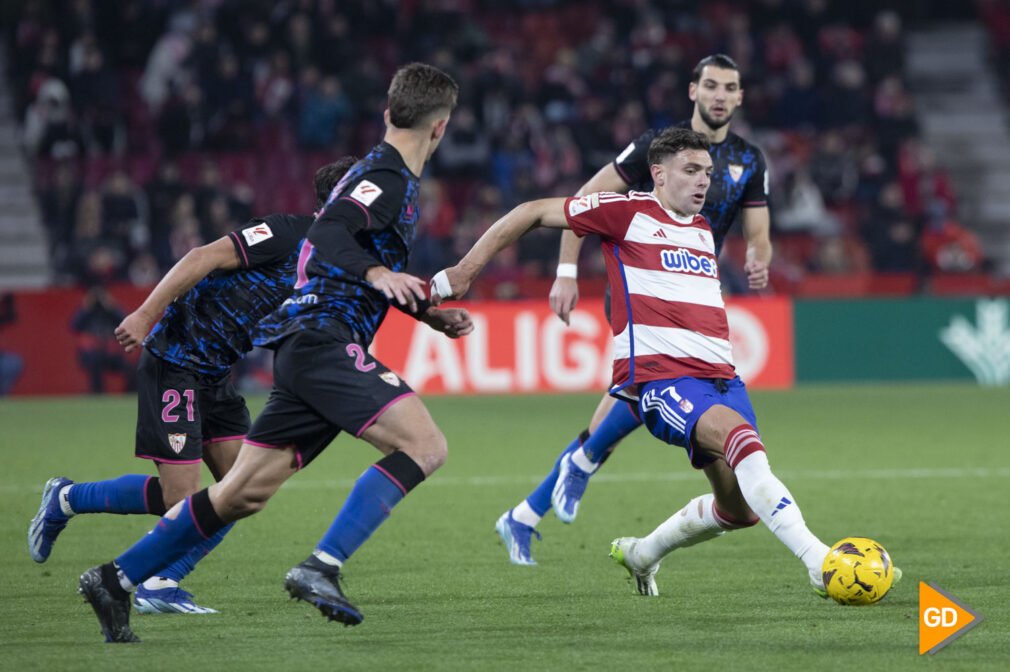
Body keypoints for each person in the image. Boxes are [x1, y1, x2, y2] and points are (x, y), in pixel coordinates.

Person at [77, 62, 472, 643]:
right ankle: (323, 565)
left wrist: (425, 315)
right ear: (440, 129)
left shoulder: (381, 176)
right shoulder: (386, 179)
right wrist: (378, 270)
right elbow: (326, 235)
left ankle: (116, 578)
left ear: (389, 113)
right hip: (323, 342)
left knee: (240, 492)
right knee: (425, 444)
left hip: (306, 348)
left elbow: (342, 258)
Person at [432, 126, 832, 600]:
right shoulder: (625, 213)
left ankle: (642, 554)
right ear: (658, 176)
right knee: (741, 442)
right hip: (664, 383)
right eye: (690, 171)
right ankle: (820, 562)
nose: (703, 182)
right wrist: (465, 271)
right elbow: (532, 212)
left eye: (707, 172)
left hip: (725, 382)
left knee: (740, 510)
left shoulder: (702, 231)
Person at [29, 157, 356, 615]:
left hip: (216, 374)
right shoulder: (285, 233)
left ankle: (157, 577)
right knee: (182, 499)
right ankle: (75, 506)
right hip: (175, 359)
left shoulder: (334, 262)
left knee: (241, 490)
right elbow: (202, 257)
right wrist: (145, 313)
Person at [495, 54, 773, 565]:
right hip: (643, 284)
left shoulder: (749, 160)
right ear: (693, 91)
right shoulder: (656, 147)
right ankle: (565, 476)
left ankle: (529, 511)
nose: (718, 95)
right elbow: (585, 199)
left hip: (694, 290)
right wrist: (565, 272)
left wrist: (759, 260)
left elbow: (759, 235)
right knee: (650, 390)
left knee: (635, 403)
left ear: (739, 97)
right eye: (709, 85)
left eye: (728, 87)